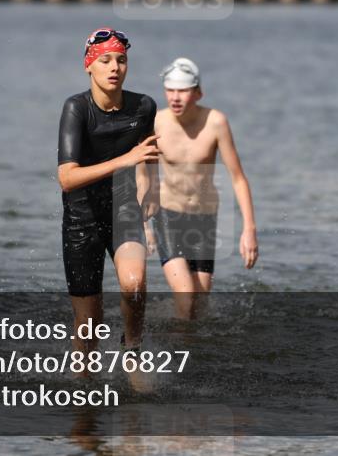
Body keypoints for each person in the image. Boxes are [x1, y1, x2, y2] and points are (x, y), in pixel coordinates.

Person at [57, 27, 160, 360]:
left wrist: (152, 191)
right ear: (89, 65)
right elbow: (67, 178)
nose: (115, 67)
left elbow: (148, 156)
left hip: (124, 211)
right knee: (88, 324)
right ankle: (84, 391)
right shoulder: (76, 109)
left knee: (134, 286)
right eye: (106, 60)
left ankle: (132, 351)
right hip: (81, 219)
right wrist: (125, 160)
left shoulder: (144, 107)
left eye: (121, 60)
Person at [145, 57, 258, 319]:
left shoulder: (215, 122)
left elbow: (238, 177)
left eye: (182, 91)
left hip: (205, 218)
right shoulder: (156, 123)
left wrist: (249, 229)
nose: (175, 97)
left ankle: (190, 349)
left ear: (198, 92)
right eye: (170, 90)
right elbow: (142, 174)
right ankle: (178, 356)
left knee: (200, 305)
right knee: (186, 295)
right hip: (167, 214)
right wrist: (144, 224)